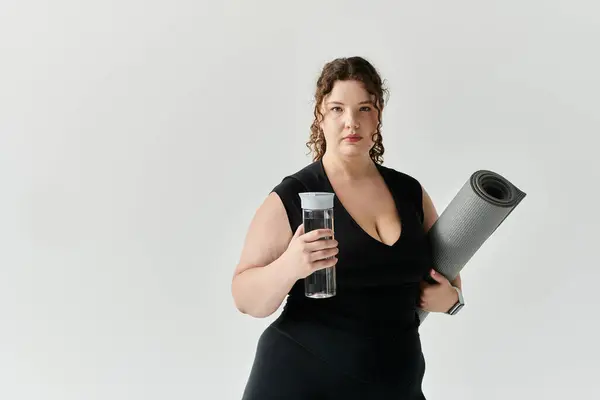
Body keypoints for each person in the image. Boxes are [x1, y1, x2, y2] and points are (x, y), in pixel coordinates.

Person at [231, 56, 464, 399]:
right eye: (337, 109)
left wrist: (453, 300)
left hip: (394, 386)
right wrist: (289, 266)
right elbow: (245, 298)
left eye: (364, 108)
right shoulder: (295, 196)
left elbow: (447, 275)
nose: (351, 122)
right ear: (320, 117)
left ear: (378, 116)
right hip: (300, 381)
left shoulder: (410, 193)